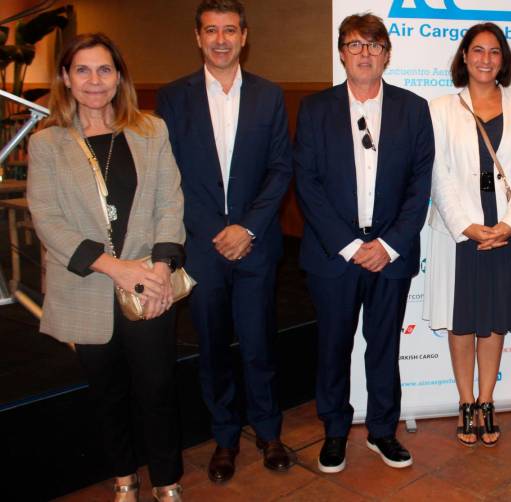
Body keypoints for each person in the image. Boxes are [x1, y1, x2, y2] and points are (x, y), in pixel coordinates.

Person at [27, 33, 185, 501]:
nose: (94, 81)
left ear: (119, 78)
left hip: (151, 286)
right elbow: (48, 220)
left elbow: (170, 202)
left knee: (158, 388)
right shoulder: (47, 143)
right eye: (83, 70)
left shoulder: (150, 130)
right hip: (88, 286)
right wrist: (118, 269)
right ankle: (123, 476)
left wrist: (159, 269)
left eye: (104, 70)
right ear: (66, 79)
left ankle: (167, 479)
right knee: (107, 392)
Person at [155, 0, 293, 483]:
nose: (220, 39)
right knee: (212, 346)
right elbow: (169, 176)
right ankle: (225, 437)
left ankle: (270, 431)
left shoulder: (269, 96)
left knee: (258, 343)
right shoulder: (173, 98)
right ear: (198, 37)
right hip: (204, 247)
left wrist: (247, 228)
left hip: (256, 244)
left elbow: (280, 169)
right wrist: (218, 231)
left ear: (244, 36)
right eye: (211, 30)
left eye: (229, 30)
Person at [294, 13, 434, 473]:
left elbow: (420, 185)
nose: (365, 54)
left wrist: (388, 245)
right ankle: (335, 432)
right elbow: (307, 184)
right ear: (341, 53)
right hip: (334, 256)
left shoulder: (413, 109)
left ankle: (381, 431)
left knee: (383, 346)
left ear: (388, 55)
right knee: (333, 345)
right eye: (355, 45)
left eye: (374, 46)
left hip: (390, 256)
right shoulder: (316, 110)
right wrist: (351, 245)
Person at [424, 22, 511, 447]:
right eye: (478, 50)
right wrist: (467, 227)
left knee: (493, 319)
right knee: (462, 320)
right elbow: (438, 175)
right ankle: (464, 399)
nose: (485, 59)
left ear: (503, 60)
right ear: (464, 57)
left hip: (508, 227)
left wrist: (508, 225)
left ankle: (487, 401)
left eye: (494, 52)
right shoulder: (440, 108)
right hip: (460, 232)